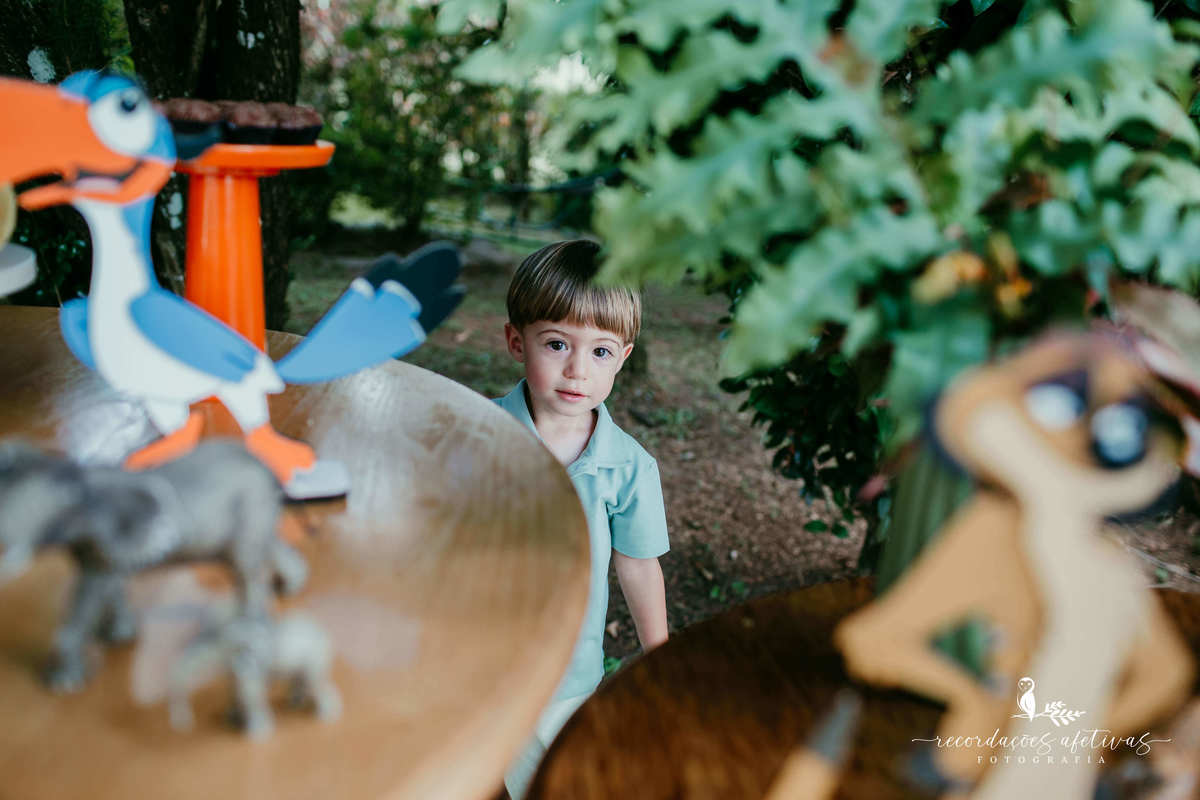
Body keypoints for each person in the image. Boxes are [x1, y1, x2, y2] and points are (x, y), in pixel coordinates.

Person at [495, 239, 669, 798]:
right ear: (516, 342)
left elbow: (639, 568)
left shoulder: (629, 467)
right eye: (556, 343)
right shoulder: (476, 435)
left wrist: (660, 660)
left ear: (623, 356)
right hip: (480, 668)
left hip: (570, 678)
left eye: (600, 352)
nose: (577, 370)